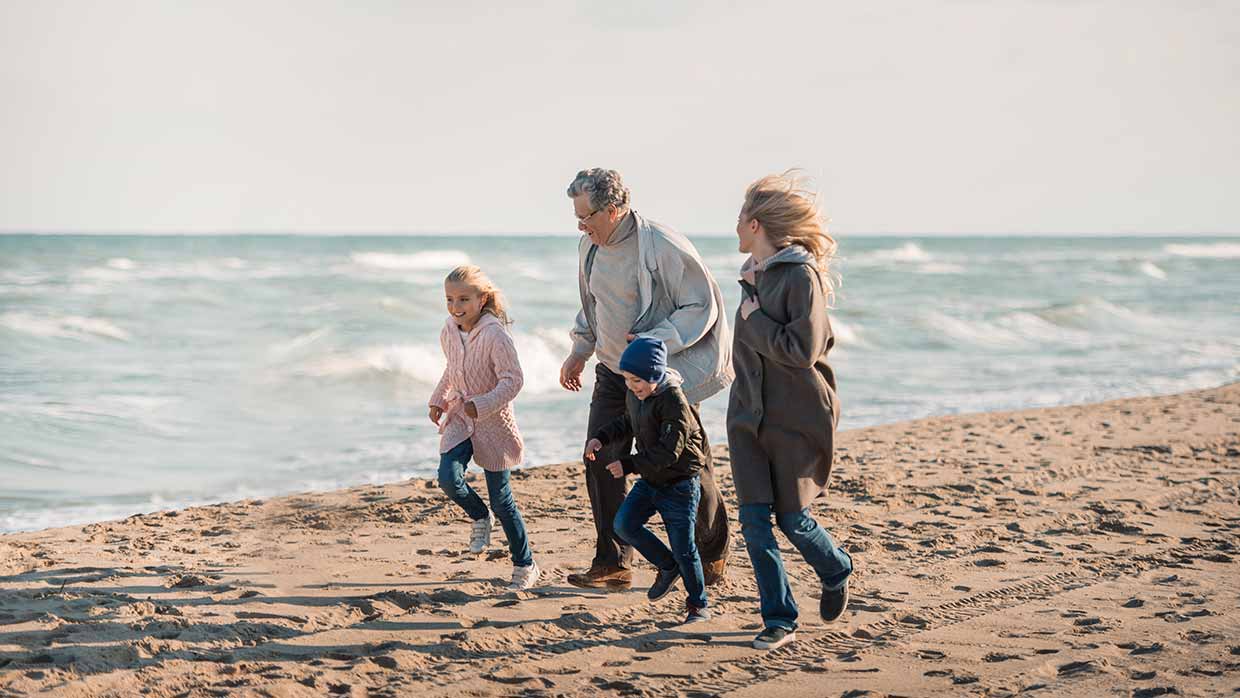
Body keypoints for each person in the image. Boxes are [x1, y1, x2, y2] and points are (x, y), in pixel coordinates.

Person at [559, 168, 733, 590]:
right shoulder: (590, 247)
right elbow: (594, 306)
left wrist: (658, 339)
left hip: (662, 377)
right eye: (577, 217)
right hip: (612, 371)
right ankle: (613, 563)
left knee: (686, 465)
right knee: (599, 457)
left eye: (587, 217)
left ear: (614, 209)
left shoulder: (661, 244)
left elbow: (700, 304)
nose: (581, 226)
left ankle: (711, 553)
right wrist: (579, 352)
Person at [727, 172, 853, 650]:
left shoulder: (801, 276)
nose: (735, 226)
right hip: (747, 416)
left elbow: (802, 350)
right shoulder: (751, 275)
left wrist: (755, 319)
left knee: (792, 518)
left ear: (756, 224)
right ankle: (780, 618)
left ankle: (835, 566)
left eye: (739, 218)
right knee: (755, 521)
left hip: (796, 414)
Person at [429, 265, 540, 591]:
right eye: (449, 299)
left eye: (463, 299)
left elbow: (513, 380)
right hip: (461, 416)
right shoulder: (449, 329)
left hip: (493, 423)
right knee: (448, 477)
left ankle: (526, 565)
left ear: (482, 299)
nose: (455, 306)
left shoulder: (495, 334)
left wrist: (486, 403)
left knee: (502, 500)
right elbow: (453, 367)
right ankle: (479, 517)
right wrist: (438, 398)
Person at [585, 338, 711, 624]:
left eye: (637, 380)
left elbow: (670, 452)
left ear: (655, 375)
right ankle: (667, 566)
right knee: (623, 524)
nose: (631, 386)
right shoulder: (636, 394)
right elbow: (628, 422)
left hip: (679, 483)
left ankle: (698, 604)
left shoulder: (674, 402)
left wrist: (628, 464)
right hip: (652, 480)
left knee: (684, 547)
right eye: (627, 379)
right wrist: (600, 438)